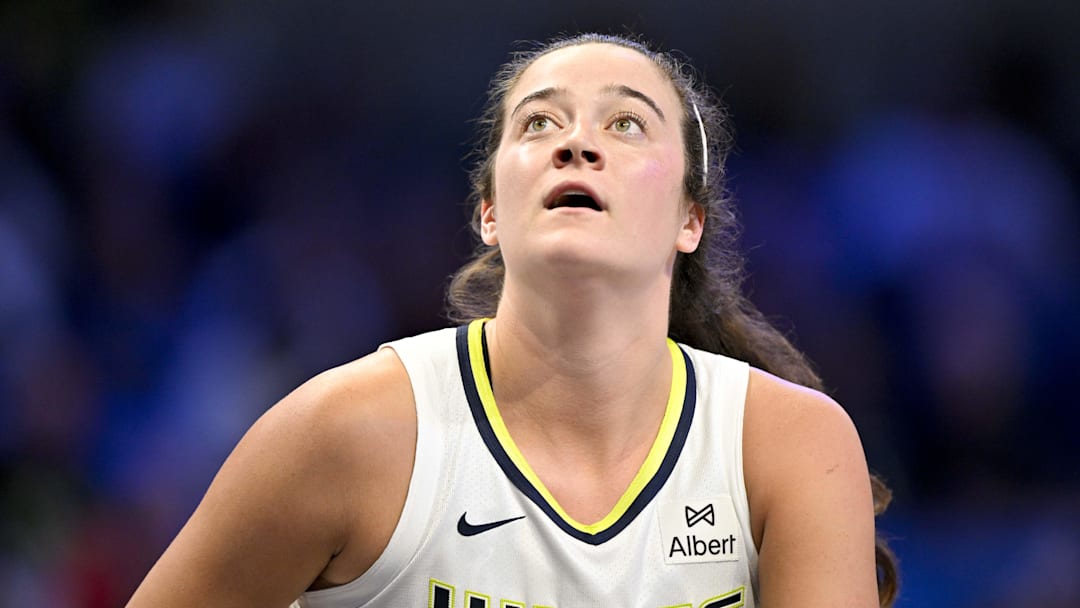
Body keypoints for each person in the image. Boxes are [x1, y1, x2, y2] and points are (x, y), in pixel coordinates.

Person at [126, 33, 898, 607]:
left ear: (688, 220)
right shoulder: (344, 432)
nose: (576, 142)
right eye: (538, 124)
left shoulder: (792, 446)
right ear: (490, 213)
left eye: (626, 124)